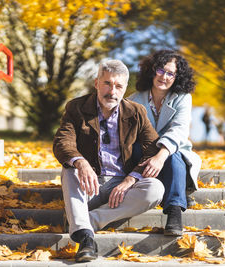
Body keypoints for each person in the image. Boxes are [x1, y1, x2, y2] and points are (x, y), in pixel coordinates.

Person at [53, 59, 165, 263]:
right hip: (88, 184)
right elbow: (63, 142)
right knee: (70, 169)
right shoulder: (77, 107)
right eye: (107, 83)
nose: (112, 91)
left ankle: (83, 223)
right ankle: (86, 239)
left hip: (120, 188)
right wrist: (81, 162)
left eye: (118, 86)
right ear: (96, 83)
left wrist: (130, 179)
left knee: (155, 188)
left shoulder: (136, 112)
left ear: (124, 89)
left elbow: (152, 148)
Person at [128, 49, 201, 236]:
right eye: (160, 70)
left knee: (173, 156)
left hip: (172, 150)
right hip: (142, 151)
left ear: (177, 77)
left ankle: (175, 212)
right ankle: (177, 192)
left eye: (171, 73)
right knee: (159, 155)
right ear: (152, 71)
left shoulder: (183, 98)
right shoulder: (133, 100)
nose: (164, 77)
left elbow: (180, 129)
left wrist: (161, 155)